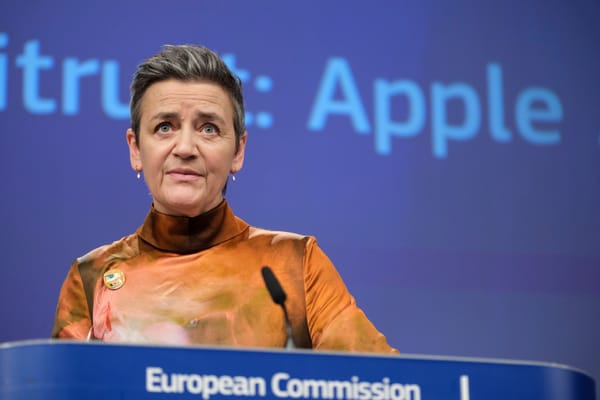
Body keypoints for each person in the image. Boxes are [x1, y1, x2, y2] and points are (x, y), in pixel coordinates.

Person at [52, 44, 397, 353]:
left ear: (238, 151)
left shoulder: (294, 264)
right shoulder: (92, 277)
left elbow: (381, 383)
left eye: (208, 129)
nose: (185, 148)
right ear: (135, 149)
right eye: (165, 127)